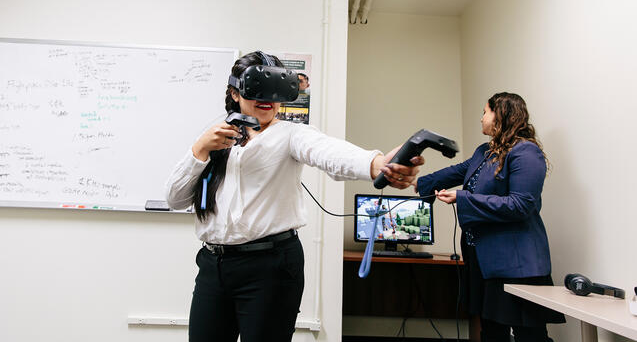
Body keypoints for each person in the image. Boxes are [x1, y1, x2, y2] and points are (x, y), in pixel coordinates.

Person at [165, 51, 423, 342]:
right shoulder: (214, 137)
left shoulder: (291, 135)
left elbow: (328, 151)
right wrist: (200, 149)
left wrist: (376, 164)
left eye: (276, 89)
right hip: (214, 265)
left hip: (270, 267)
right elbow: (175, 199)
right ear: (234, 93)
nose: (268, 98)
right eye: (257, 87)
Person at [415, 92, 565, 342]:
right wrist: (417, 182)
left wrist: (462, 198)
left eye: (485, 111)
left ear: (500, 114)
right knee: (492, 333)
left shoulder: (526, 152)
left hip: (517, 265)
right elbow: (456, 171)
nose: (481, 117)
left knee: (530, 335)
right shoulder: (485, 152)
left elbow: (521, 205)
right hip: (485, 263)